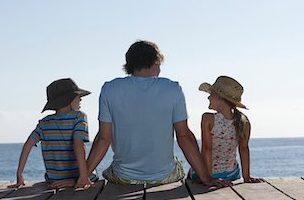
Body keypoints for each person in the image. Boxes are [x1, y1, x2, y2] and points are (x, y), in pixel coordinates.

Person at [86, 40, 231, 187]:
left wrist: (84, 176)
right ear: (155, 62)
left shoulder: (109, 89)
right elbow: (184, 136)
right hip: (165, 177)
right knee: (184, 168)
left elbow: (104, 138)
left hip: (124, 177)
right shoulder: (172, 89)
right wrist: (206, 178)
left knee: (100, 173)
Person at [8, 78, 97, 190]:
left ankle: (72, 179)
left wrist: (19, 174)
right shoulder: (79, 117)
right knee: (93, 172)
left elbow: (27, 145)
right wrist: (83, 176)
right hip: (76, 175)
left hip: (53, 179)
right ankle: (76, 180)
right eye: (78, 96)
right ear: (68, 99)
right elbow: (78, 144)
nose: (80, 99)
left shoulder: (44, 122)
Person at [189, 76, 264, 183]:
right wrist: (246, 177)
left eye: (211, 94)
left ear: (220, 97)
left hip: (209, 174)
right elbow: (244, 149)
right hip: (231, 174)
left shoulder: (208, 118)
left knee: (191, 171)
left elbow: (207, 149)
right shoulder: (243, 121)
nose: (208, 98)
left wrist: (210, 179)